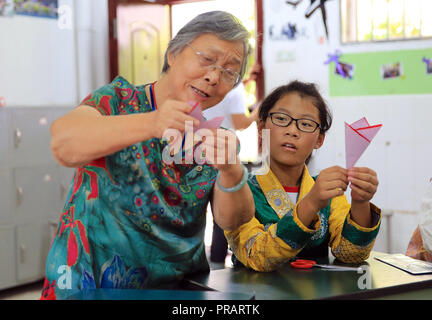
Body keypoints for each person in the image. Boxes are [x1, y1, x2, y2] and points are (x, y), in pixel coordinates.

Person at [40, 11, 255, 300]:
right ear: (173, 54)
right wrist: (152, 122)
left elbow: (233, 221)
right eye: (207, 59)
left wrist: (232, 170)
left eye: (230, 72)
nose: (214, 77)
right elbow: (63, 144)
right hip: (87, 287)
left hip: (178, 293)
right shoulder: (117, 100)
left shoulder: (216, 139)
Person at [224, 81, 382, 272]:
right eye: (281, 119)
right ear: (261, 128)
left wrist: (360, 203)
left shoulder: (329, 194)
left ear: (319, 139)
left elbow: (352, 254)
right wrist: (311, 203)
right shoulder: (238, 192)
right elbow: (258, 256)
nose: (292, 130)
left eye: (306, 124)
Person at [203, 63, 261, 264]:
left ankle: (211, 261)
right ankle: (218, 263)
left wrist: (249, 82)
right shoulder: (235, 91)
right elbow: (241, 124)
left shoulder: (207, 86)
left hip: (199, 149)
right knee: (223, 218)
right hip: (222, 153)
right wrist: (257, 111)